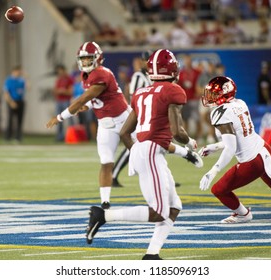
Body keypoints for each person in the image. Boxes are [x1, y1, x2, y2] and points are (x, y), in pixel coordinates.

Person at [86, 49, 203, 260]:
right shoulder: (173, 90)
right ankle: (103, 215)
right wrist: (190, 143)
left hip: (143, 149)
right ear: (174, 69)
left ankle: (152, 254)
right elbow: (177, 131)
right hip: (150, 152)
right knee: (159, 211)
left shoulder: (140, 93)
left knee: (174, 207)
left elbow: (124, 132)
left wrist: (139, 151)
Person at [198, 76, 271, 223]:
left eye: (214, 93)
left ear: (225, 93)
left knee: (218, 190)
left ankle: (242, 214)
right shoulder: (240, 103)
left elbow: (231, 147)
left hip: (252, 162)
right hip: (264, 150)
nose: (210, 97)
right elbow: (238, 137)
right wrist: (214, 147)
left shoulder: (220, 113)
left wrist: (213, 171)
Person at [46, 41, 131, 210]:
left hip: (125, 121)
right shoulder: (86, 76)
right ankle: (105, 203)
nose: (85, 62)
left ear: (97, 58)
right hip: (106, 125)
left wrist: (60, 117)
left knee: (144, 157)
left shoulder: (102, 73)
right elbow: (97, 98)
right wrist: (90, 105)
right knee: (106, 162)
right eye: (83, 59)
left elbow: (83, 98)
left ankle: (181, 154)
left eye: (88, 59)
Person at [112, 51, 152, 188]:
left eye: (150, 59)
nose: (148, 62)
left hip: (147, 116)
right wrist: (138, 116)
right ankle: (113, 175)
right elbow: (133, 96)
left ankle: (158, 176)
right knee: (132, 147)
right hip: (138, 115)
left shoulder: (150, 76)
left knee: (154, 145)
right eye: (146, 60)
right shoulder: (138, 76)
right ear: (142, 61)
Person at [3, 65, 26, 143]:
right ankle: (8, 137)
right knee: (10, 120)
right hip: (12, 101)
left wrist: (27, 77)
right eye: (18, 71)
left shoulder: (21, 80)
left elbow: (29, 87)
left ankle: (18, 137)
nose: (19, 73)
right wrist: (11, 102)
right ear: (14, 71)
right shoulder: (9, 80)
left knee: (20, 120)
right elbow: (6, 93)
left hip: (20, 101)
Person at [53, 64, 74, 142]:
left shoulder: (69, 79)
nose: (60, 73)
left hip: (66, 101)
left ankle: (72, 136)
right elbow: (55, 91)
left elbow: (70, 91)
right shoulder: (59, 80)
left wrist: (63, 91)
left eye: (61, 71)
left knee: (70, 119)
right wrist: (59, 91)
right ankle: (59, 137)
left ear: (64, 71)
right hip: (59, 101)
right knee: (58, 119)